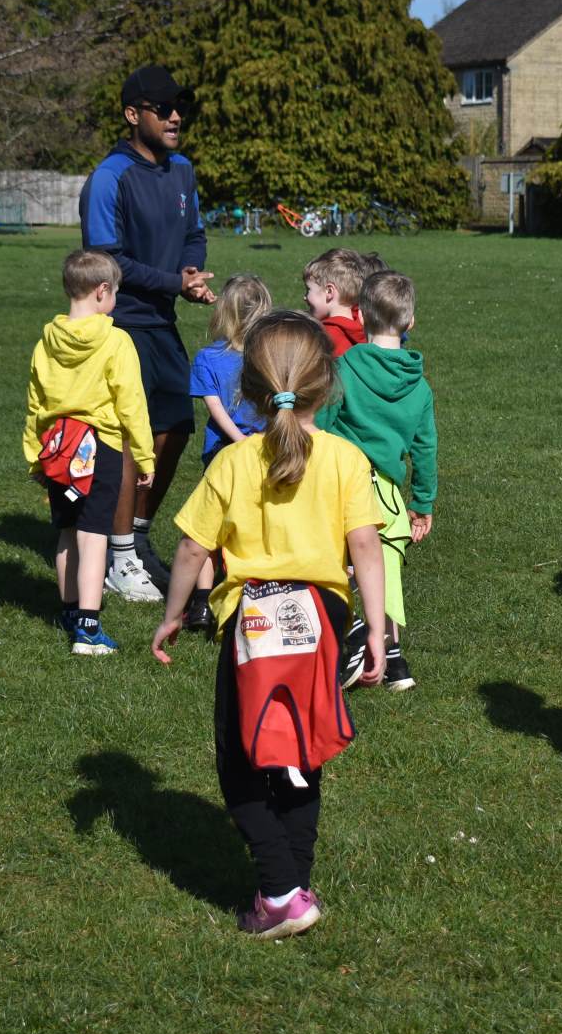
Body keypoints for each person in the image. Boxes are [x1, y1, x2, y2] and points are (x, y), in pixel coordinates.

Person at [151, 311, 388, 940]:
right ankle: (292, 884)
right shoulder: (345, 458)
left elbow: (192, 549)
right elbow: (365, 546)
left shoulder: (234, 462)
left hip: (252, 620)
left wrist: (173, 615)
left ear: (248, 389)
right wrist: (376, 629)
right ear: (326, 385)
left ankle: (281, 892)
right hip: (322, 620)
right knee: (303, 748)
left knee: (241, 755)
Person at [80, 64, 216, 603]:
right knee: (129, 438)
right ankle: (118, 557)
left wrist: (190, 274)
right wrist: (172, 283)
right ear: (133, 115)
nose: (176, 116)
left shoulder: (181, 170)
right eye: (163, 109)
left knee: (176, 425)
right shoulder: (110, 176)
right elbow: (105, 259)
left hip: (161, 319)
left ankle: (135, 537)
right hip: (119, 323)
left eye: (180, 107)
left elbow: (194, 234)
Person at [21, 250, 154, 655]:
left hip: (59, 447)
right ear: (102, 291)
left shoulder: (46, 342)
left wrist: (35, 455)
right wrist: (145, 455)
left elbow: (35, 403)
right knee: (94, 535)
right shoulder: (116, 340)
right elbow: (131, 402)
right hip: (100, 448)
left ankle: (69, 610)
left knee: (67, 531)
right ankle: (88, 629)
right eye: (115, 293)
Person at [320, 270, 438, 691]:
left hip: (341, 484)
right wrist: (422, 503)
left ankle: (348, 640)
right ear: (410, 322)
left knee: (339, 566)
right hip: (387, 495)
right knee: (384, 572)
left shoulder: (344, 368)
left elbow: (322, 424)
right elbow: (425, 449)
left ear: (361, 316)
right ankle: (393, 658)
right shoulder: (419, 387)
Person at [184, 273, 274, 636]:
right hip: (264, 451)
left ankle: (201, 603)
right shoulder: (270, 356)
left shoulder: (208, 357)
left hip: (222, 451)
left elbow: (214, 408)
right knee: (253, 524)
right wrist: (256, 441)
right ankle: (248, 594)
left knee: (210, 527)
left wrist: (236, 439)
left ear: (224, 312)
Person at [303, 248, 369, 356]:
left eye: (308, 290)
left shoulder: (327, 336)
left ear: (329, 291)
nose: (304, 297)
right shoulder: (365, 326)